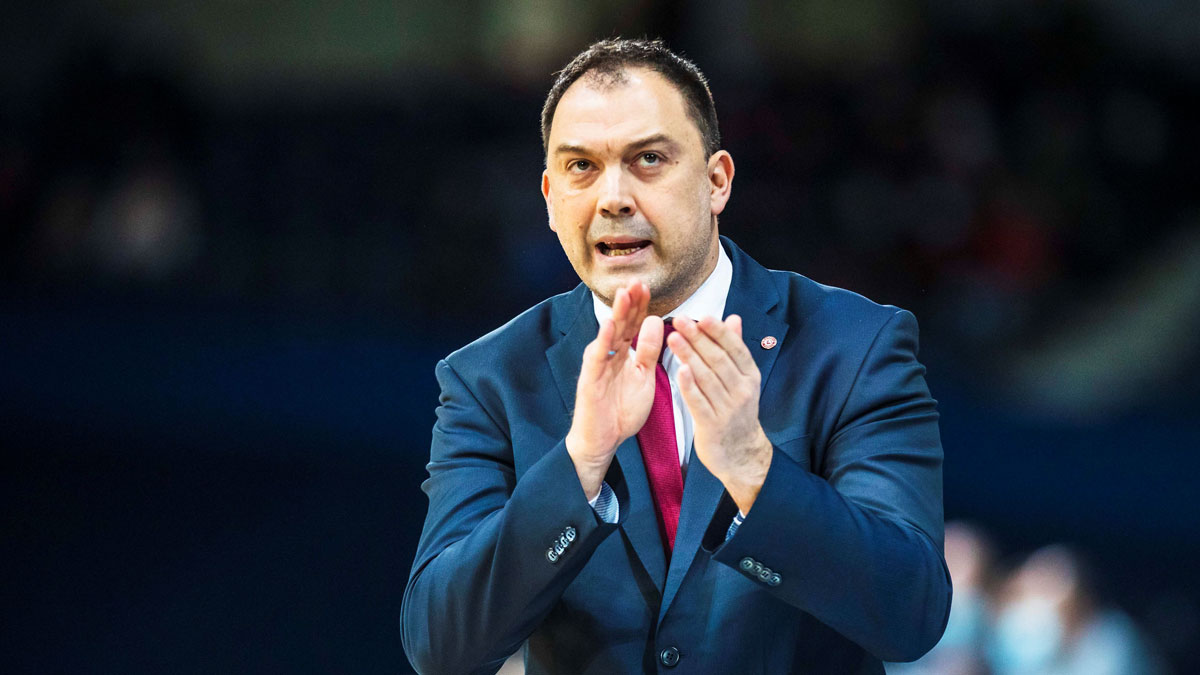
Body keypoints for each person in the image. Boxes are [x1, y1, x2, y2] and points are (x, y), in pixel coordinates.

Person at [402, 38, 951, 674]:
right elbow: (441, 648)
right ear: (550, 198)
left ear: (717, 181)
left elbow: (911, 616)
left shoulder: (853, 345)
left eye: (649, 159)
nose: (613, 198)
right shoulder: (489, 379)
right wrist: (580, 463)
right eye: (581, 167)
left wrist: (753, 468)